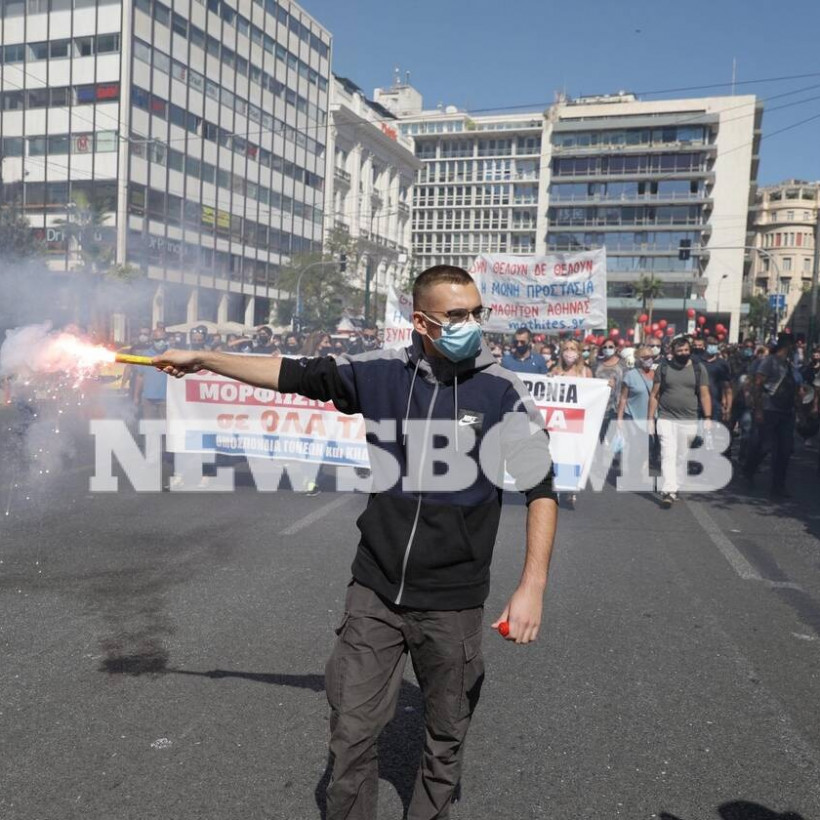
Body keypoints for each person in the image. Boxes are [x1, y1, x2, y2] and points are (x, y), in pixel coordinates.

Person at [157, 265, 558, 820]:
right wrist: (205, 359)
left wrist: (532, 586)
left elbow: (541, 488)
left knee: (445, 738)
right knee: (351, 732)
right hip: (375, 590)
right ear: (422, 322)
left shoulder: (502, 391)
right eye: (456, 315)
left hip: (454, 600)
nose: (472, 324)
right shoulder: (380, 372)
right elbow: (291, 373)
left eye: (476, 313)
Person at [648, 335, 711, 508]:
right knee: (667, 453)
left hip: (689, 419)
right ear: (672, 352)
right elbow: (654, 395)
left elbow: (704, 394)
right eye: (680, 350)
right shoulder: (663, 368)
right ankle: (669, 490)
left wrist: (707, 417)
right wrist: (650, 418)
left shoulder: (698, 369)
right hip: (666, 417)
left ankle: (675, 484)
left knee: (681, 455)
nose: (683, 353)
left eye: (686, 350)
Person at [743, 332, 802, 498]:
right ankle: (749, 469)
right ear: (787, 346)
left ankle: (778, 486)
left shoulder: (790, 365)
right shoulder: (769, 362)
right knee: (764, 446)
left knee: (784, 451)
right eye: (792, 345)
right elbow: (758, 384)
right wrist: (758, 410)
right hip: (769, 409)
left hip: (786, 412)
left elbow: (796, 388)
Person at [549, 339, 592, 509]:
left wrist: (606, 386)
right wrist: (549, 379)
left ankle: (570, 489)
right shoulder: (555, 370)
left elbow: (593, 393)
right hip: (559, 421)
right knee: (557, 453)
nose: (569, 352)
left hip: (577, 421)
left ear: (579, 352)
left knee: (574, 454)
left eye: (573, 349)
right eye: (566, 348)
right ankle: (557, 488)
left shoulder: (586, 372)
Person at [593, 338, 625, 437]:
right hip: (599, 407)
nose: (608, 349)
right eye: (605, 347)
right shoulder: (596, 364)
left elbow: (626, 386)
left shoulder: (623, 364)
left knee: (613, 438)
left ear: (616, 348)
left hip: (616, 407)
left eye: (611, 347)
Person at [701, 336, 733, 425]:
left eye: (714, 344)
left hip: (716, 404)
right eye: (710, 344)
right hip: (698, 404)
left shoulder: (722, 364)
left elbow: (727, 387)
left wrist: (728, 407)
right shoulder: (698, 362)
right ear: (705, 345)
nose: (712, 346)